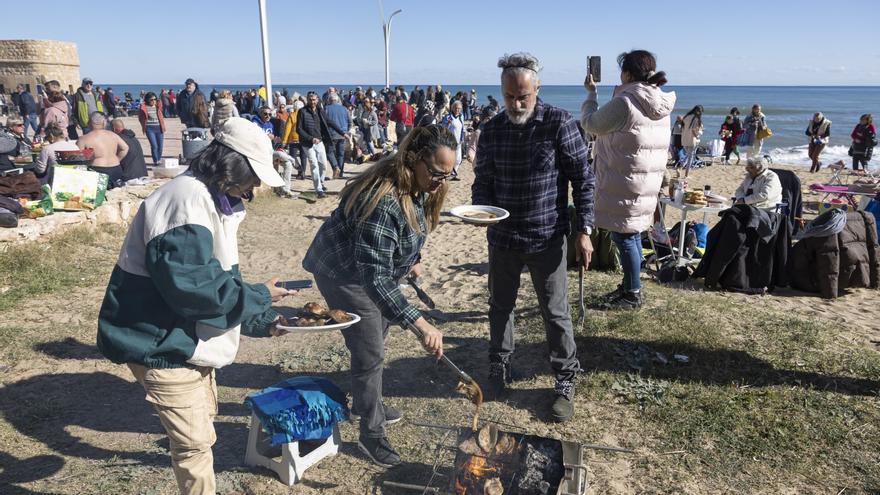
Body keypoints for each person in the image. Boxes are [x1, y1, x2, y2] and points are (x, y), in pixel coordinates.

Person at [97, 117, 291, 495]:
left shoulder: (208, 199)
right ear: (232, 165)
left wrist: (262, 321)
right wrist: (260, 296)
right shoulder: (185, 202)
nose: (252, 191)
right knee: (195, 445)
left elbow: (214, 285)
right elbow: (196, 292)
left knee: (203, 426)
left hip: (185, 339)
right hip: (160, 343)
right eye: (253, 179)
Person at [302, 125, 453, 468]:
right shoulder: (384, 200)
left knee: (377, 333)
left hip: (370, 271)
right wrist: (420, 322)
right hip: (341, 271)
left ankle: (366, 402)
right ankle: (371, 433)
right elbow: (374, 277)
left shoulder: (422, 187)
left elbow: (407, 232)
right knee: (370, 350)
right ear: (414, 160)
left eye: (448, 174)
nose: (441, 181)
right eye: (436, 172)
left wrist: (411, 260)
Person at [473, 53, 595, 422]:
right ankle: (500, 368)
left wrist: (585, 231)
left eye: (523, 96)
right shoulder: (492, 130)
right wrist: (482, 211)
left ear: (537, 89)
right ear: (502, 92)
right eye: (510, 97)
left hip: (547, 237)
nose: (517, 104)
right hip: (504, 238)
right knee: (500, 306)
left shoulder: (558, 122)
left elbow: (583, 179)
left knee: (555, 311)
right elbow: (483, 182)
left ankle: (564, 380)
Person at [581, 49, 675, 310]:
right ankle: (629, 285)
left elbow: (591, 124)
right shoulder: (660, 103)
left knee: (624, 237)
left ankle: (632, 293)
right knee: (631, 235)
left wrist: (591, 93)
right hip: (645, 181)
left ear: (627, 73)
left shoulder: (626, 102)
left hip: (624, 180)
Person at [76, 112, 129, 188]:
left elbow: (78, 159)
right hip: (115, 168)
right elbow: (125, 148)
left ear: (89, 123)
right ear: (104, 123)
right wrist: (117, 159)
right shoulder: (113, 135)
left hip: (98, 170)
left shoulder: (83, 139)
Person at [297, 91, 332, 198]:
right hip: (307, 143)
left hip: (320, 141)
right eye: (310, 99)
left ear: (317, 100)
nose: (312, 102)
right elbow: (299, 129)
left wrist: (343, 133)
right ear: (307, 100)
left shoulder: (320, 111)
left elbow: (329, 123)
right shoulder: (302, 112)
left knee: (324, 165)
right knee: (314, 165)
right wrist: (311, 139)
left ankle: (320, 182)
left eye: (314, 99)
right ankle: (319, 190)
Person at [324, 93, 351, 179]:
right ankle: (340, 172)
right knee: (340, 154)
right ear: (338, 100)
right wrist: (346, 131)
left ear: (329, 100)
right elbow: (350, 122)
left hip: (331, 134)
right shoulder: (344, 109)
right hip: (343, 134)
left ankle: (336, 167)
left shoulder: (326, 109)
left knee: (330, 152)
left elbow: (323, 122)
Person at [138, 92, 166, 165]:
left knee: (160, 146)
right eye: (151, 100)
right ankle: (155, 161)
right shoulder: (144, 107)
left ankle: (159, 160)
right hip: (150, 129)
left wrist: (159, 98)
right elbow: (140, 118)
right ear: (147, 100)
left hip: (159, 128)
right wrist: (144, 126)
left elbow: (161, 100)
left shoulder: (158, 106)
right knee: (154, 146)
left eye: (155, 99)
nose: (153, 101)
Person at [282, 100, 307, 180]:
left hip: (293, 139)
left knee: (292, 157)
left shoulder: (292, 115)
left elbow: (287, 129)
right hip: (304, 139)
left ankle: (300, 170)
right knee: (303, 157)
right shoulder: (306, 115)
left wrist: (284, 141)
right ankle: (303, 172)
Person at [441, 100, 466, 180]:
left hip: (459, 141)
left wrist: (463, 137)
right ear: (452, 108)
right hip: (450, 142)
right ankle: (449, 174)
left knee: (458, 160)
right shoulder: (448, 117)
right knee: (450, 159)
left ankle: (452, 174)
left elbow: (462, 128)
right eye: (456, 108)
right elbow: (443, 128)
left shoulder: (461, 116)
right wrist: (448, 124)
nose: (457, 110)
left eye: (459, 108)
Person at [681, 105, 703, 173]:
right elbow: (694, 130)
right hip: (692, 139)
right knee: (691, 156)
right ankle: (686, 174)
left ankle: (680, 167)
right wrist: (697, 135)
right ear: (698, 111)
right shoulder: (695, 118)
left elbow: (683, 127)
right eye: (701, 112)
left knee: (688, 155)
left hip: (684, 139)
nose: (700, 113)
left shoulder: (686, 116)